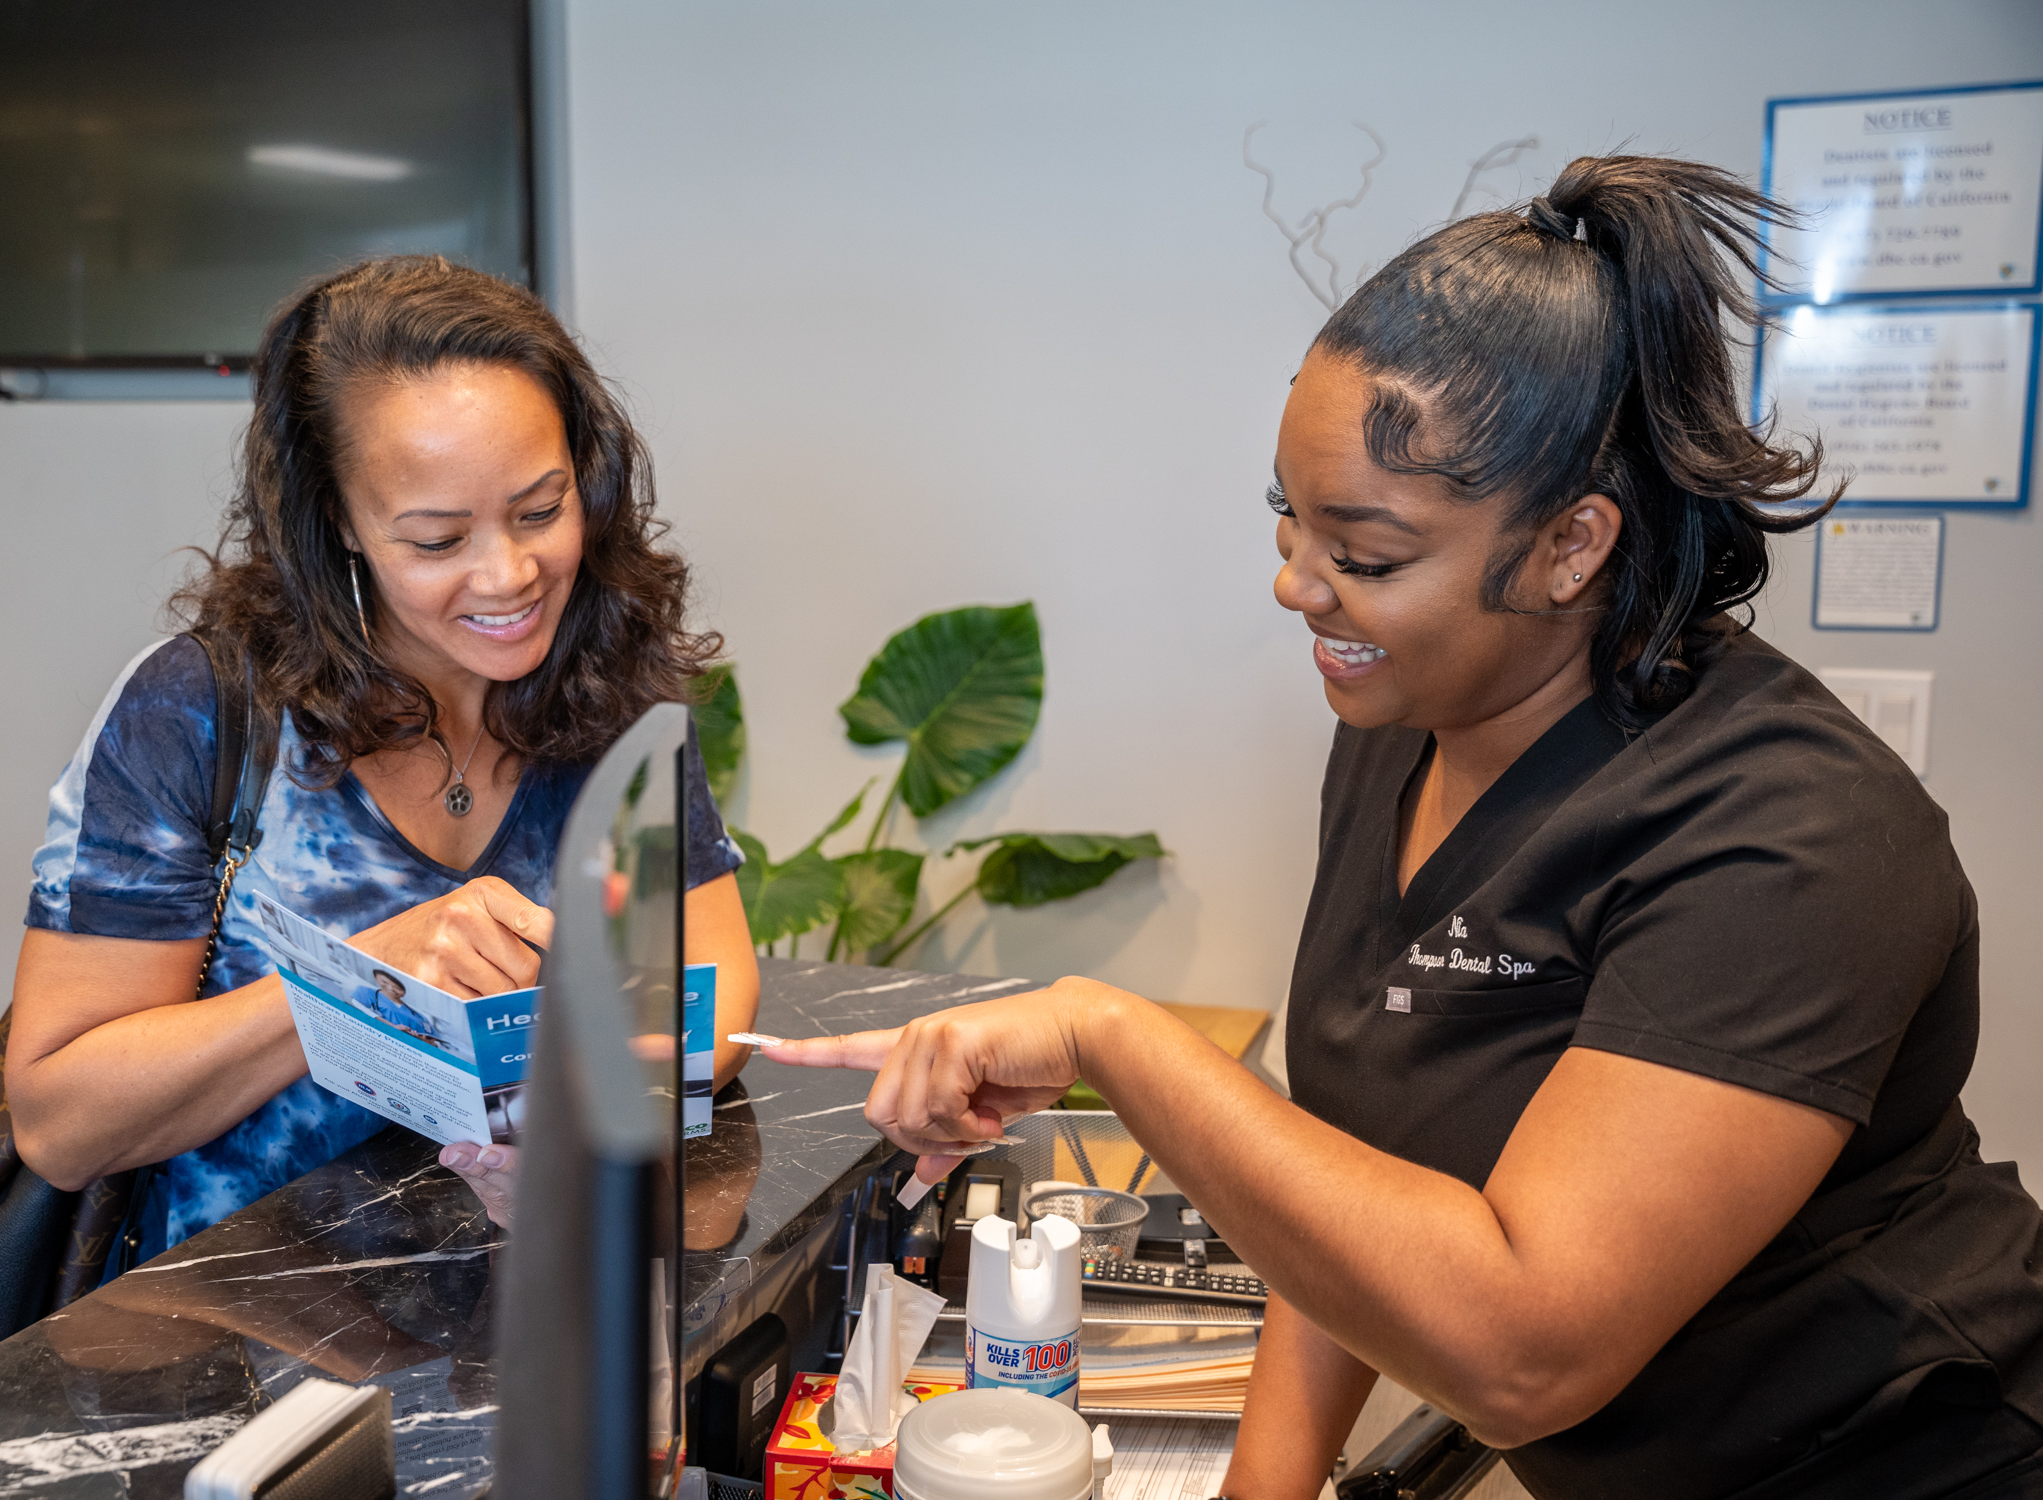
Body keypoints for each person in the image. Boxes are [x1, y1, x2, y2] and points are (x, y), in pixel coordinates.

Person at [759, 157, 2043, 1498]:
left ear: (1570, 545)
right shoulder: (1402, 726)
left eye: (1363, 555)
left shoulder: (1794, 840)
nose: (1293, 584)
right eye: (1287, 519)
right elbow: (1359, 1172)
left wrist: (1111, 1033)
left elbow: (1523, 1351)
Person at [5, 256, 760, 1252]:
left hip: (519, 1308)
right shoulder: (196, 714)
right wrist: (357, 984)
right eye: (438, 540)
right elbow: (59, 1125)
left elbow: (714, 991)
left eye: (541, 509)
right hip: (233, 1352)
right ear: (339, 525)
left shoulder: (606, 685)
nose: (512, 575)